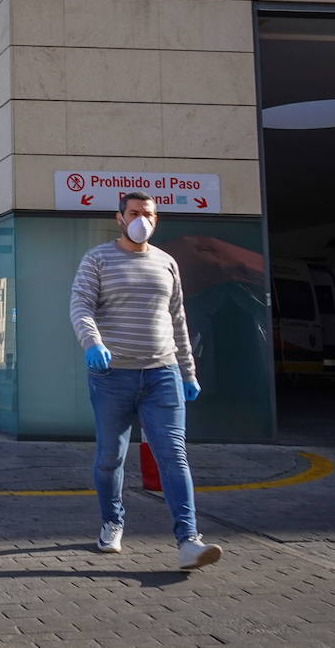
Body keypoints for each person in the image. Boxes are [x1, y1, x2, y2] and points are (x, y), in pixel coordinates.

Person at [69, 191, 223, 570]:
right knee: (110, 457)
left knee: (173, 455)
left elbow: (178, 320)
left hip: (162, 374)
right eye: (135, 213)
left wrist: (188, 371)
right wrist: (92, 342)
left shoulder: (167, 263)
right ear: (120, 218)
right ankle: (112, 522)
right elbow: (80, 305)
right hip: (112, 376)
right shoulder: (98, 259)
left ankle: (188, 539)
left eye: (149, 214)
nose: (142, 219)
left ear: (156, 220)